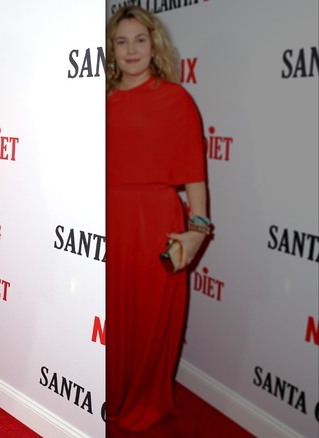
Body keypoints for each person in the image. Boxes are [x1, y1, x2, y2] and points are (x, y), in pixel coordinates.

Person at [105, 5, 211, 432]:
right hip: (111, 219)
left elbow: (194, 175)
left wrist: (197, 231)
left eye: (140, 40)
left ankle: (144, 399)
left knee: (150, 319)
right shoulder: (104, 102)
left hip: (157, 222)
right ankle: (113, 394)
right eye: (122, 41)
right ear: (111, 50)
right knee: (115, 315)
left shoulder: (175, 99)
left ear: (154, 45)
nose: (132, 50)